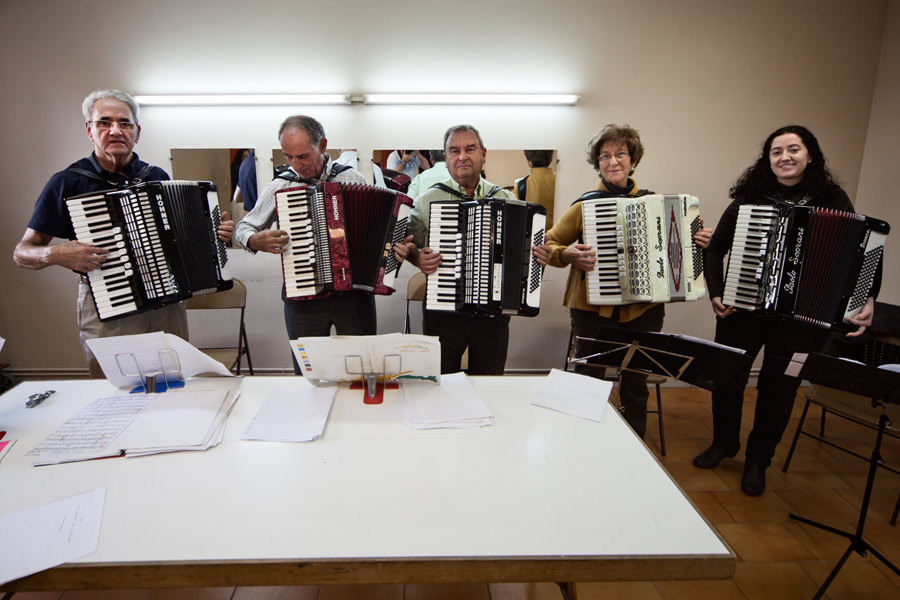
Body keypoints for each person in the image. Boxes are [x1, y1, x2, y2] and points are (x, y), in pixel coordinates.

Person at [694, 124, 876, 496]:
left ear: (810, 155)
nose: (785, 157)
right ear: (768, 159)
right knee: (726, 379)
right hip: (742, 310)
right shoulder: (749, 199)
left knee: (779, 390)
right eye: (776, 151)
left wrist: (865, 298)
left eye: (794, 149)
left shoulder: (834, 199)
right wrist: (717, 293)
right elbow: (715, 249)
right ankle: (724, 443)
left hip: (802, 320)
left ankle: (758, 461)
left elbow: (858, 255)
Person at [13, 89, 234, 378]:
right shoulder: (67, 182)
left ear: (137, 132)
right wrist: (55, 253)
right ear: (90, 130)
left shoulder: (156, 176)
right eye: (104, 122)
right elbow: (23, 252)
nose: (115, 130)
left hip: (167, 303)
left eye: (124, 123)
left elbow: (177, 238)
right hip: (109, 301)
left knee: (174, 383)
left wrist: (212, 233)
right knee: (115, 385)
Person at [532, 124, 710, 438]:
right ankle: (583, 439)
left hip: (644, 310)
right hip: (591, 310)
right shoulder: (584, 205)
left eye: (621, 154)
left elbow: (681, 246)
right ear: (597, 163)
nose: (613, 162)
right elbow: (549, 245)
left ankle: (632, 442)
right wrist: (568, 254)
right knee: (588, 378)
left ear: (633, 159)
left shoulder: (655, 202)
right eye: (605, 156)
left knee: (636, 381)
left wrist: (697, 240)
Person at [235, 115, 414, 374]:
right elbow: (244, 227)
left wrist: (394, 248)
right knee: (308, 375)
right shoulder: (282, 184)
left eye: (303, 156)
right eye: (289, 157)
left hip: (354, 296)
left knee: (361, 371)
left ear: (322, 145)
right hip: (303, 299)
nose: (296, 165)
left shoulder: (351, 177)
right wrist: (253, 239)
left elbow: (380, 229)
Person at [406, 125, 517, 375]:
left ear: (483, 154)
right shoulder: (426, 200)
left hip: (492, 315)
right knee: (441, 382)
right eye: (454, 151)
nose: (462, 156)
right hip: (442, 313)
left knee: (489, 383)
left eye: (470, 149)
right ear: (446, 158)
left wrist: (535, 255)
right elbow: (407, 242)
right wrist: (417, 258)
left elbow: (521, 250)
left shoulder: (507, 199)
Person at [514, 149, 556, 223]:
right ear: (551, 157)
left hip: (532, 229)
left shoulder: (522, 186)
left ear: (528, 160)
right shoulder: (561, 181)